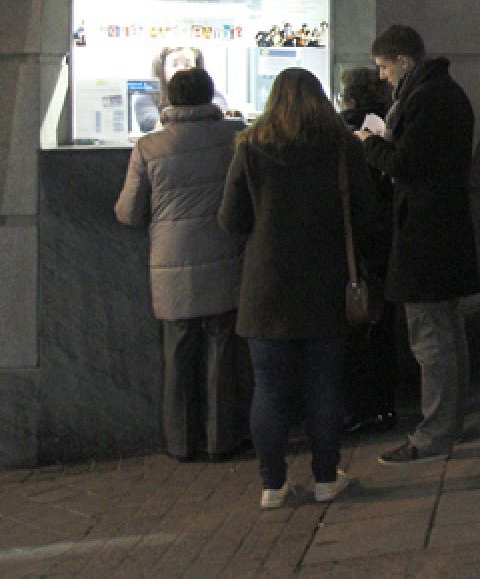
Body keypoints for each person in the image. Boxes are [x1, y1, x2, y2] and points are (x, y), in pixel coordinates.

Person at [219, 68, 382, 508]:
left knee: (269, 390)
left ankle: (273, 485)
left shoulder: (250, 148)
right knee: (324, 387)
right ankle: (327, 478)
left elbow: (231, 219)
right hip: (327, 283)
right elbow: (366, 214)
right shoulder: (342, 147)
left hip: (267, 287)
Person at [358, 25, 480, 466]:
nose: (383, 77)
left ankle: (435, 432)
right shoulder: (441, 93)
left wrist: (371, 144)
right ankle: (449, 422)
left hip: (426, 236)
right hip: (441, 232)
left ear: (404, 62)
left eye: (385, 67)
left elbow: (409, 164)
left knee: (431, 338)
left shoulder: (428, 99)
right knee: (447, 331)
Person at [115, 67, 247, 463]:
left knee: (178, 351)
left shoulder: (149, 147)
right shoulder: (235, 138)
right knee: (223, 348)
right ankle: (221, 440)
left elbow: (129, 213)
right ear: (211, 96)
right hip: (225, 254)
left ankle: (181, 442)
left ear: (168, 99)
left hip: (171, 262)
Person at [336, 67, 399, 436]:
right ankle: (383, 404)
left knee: (355, 328)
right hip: (385, 236)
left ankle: (361, 407)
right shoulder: (390, 120)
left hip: (354, 243)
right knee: (382, 324)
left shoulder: (343, 131)